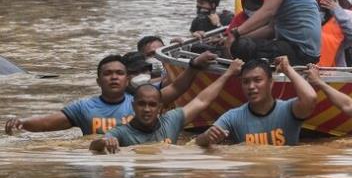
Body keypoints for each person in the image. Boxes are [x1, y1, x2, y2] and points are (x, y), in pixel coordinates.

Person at [4, 52, 216, 136]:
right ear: (98, 81)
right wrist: (21, 122)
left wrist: (193, 66)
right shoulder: (83, 107)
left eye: (119, 73)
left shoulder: (143, 102)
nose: (113, 77)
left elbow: (177, 89)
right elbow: (48, 122)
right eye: (107, 74)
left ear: (127, 79)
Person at [89, 59, 244, 153]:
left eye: (152, 105)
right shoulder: (121, 132)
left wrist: (228, 74)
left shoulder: (172, 120)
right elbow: (94, 146)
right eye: (142, 104)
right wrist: (103, 143)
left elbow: (201, 101)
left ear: (160, 108)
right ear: (133, 106)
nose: (147, 109)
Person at [195, 57, 318, 146]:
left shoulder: (289, 110)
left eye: (257, 80)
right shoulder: (233, 117)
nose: (251, 86)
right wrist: (206, 138)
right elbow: (197, 142)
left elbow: (310, 98)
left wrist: (288, 70)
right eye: (246, 82)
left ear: (271, 82)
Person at [314, 0, 352, 67]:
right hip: (313, 67)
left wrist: (337, 11)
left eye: (325, 2)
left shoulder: (347, 16)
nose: (321, 6)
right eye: (318, 3)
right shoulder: (309, 16)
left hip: (337, 68)